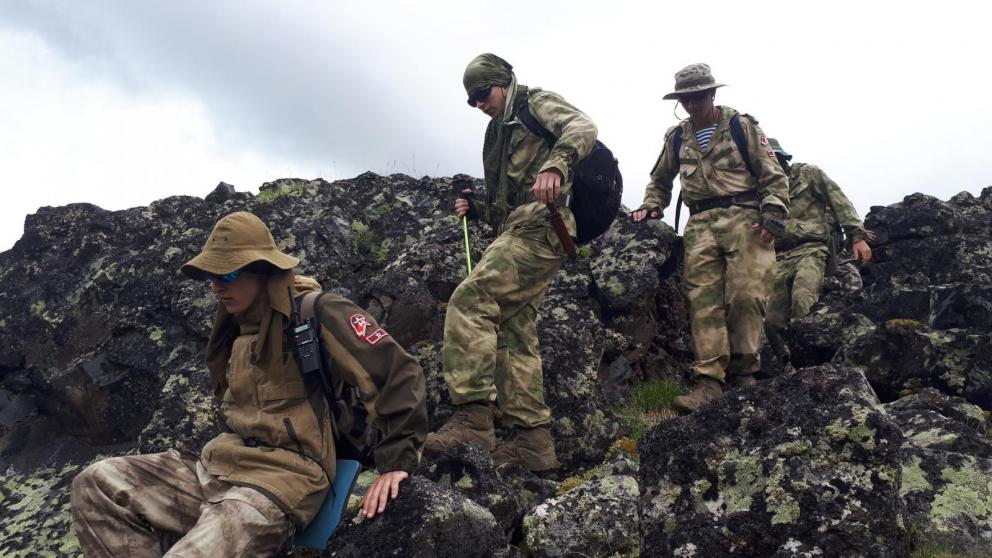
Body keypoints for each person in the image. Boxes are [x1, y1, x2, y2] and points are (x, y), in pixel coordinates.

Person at [70, 211, 428, 557]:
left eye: (227, 274)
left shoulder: (319, 311)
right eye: (211, 276)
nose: (216, 287)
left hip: (281, 482)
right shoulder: (232, 325)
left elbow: (398, 372)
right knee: (97, 482)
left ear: (263, 270)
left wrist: (396, 462)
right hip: (217, 468)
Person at [424, 53, 598, 470]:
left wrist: (556, 165)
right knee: (514, 331)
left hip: (542, 224)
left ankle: (473, 419)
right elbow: (507, 205)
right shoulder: (497, 132)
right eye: (471, 99)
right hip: (518, 226)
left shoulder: (534, 104)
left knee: (472, 300)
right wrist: (478, 210)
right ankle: (533, 442)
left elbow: (582, 126)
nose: (479, 103)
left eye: (483, 93)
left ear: (503, 83)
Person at [631, 63, 789, 414]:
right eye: (685, 99)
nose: (691, 105)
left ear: (712, 94)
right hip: (700, 224)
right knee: (703, 302)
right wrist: (651, 206)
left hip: (745, 218)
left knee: (746, 295)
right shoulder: (676, 137)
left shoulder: (741, 126)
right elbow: (660, 180)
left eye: (698, 97)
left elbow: (773, 175)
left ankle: (744, 375)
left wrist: (774, 214)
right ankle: (709, 383)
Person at [763, 138, 871, 364]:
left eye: (772, 158)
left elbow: (839, 200)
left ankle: (811, 364)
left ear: (781, 158)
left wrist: (857, 236)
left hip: (811, 249)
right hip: (777, 257)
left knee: (803, 302)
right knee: (771, 321)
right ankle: (789, 363)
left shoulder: (808, 174)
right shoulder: (762, 190)